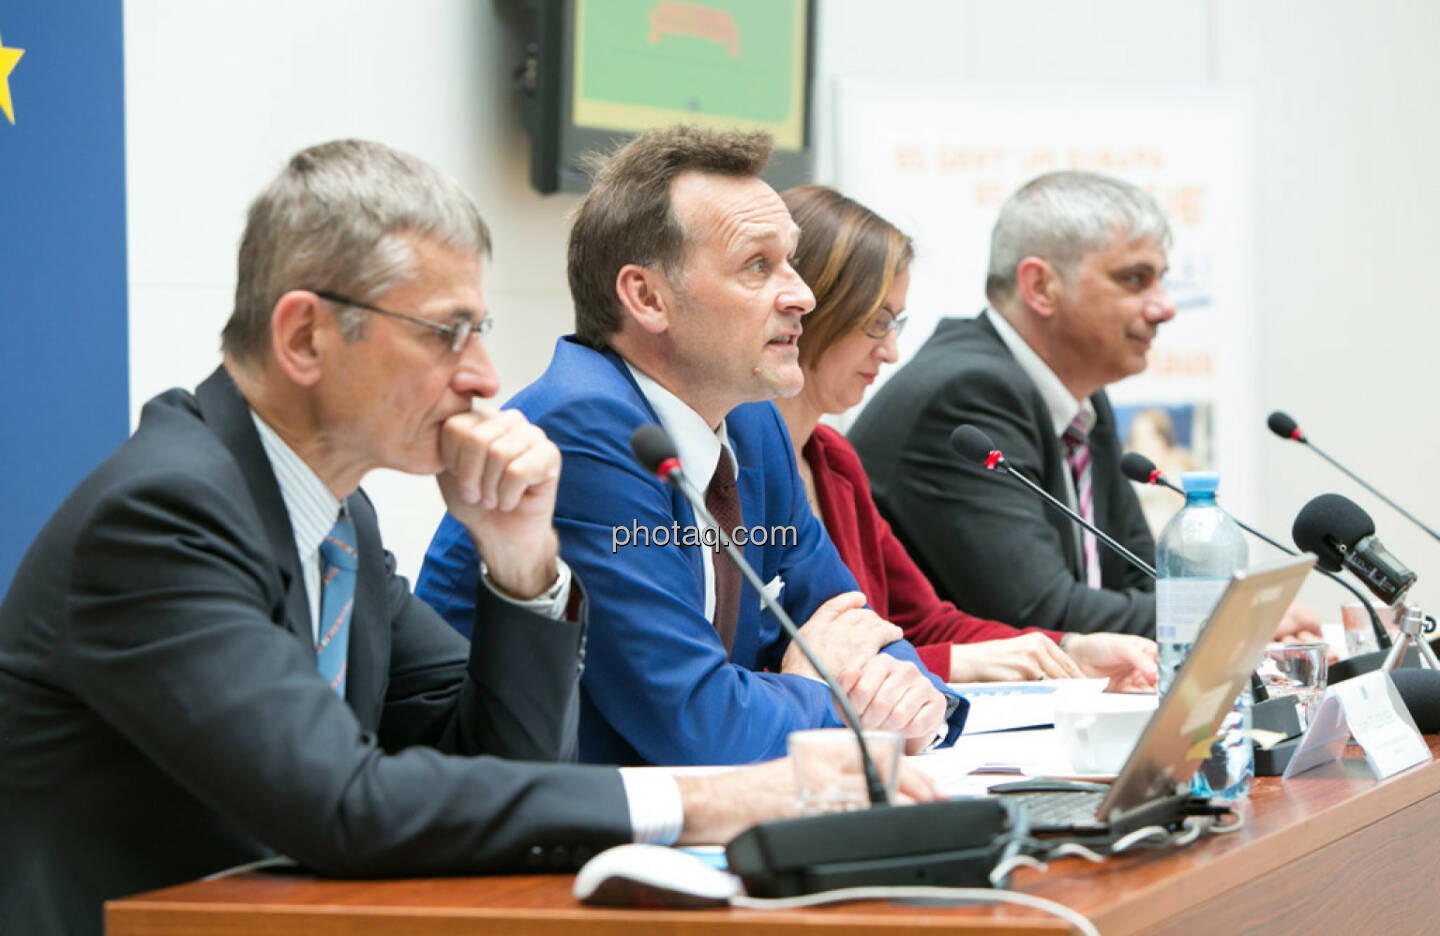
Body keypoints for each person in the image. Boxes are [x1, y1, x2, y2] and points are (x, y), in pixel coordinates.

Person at [0, 140, 938, 936]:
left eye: (480, 329)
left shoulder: (340, 519)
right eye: (446, 333)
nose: (485, 376)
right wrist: (714, 799)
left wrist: (525, 564)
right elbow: (345, 804)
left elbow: (494, 763)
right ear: (305, 338)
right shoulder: (167, 514)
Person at [419, 126, 965, 766]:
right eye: (758, 265)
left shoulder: (751, 420)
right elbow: (699, 725)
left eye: (790, 260)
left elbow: (851, 619)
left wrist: (918, 701)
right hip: (523, 839)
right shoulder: (584, 430)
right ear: (647, 297)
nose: (802, 295)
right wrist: (833, 698)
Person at [850, 171, 1320, 642]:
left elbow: (1141, 575)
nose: (1164, 307)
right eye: (1135, 279)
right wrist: (1229, 618)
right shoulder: (967, 394)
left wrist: (1224, 618)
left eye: (1161, 280)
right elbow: (1041, 610)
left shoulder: (1082, 397)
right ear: (1040, 288)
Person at [774, 184, 1155, 691]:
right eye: (876, 322)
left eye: (897, 323)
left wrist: (1069, 649)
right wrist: (957, 664)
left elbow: (926, 623)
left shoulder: (833, 460)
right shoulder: (733, 471)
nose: (889, 352)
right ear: (810, 310)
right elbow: (781, 662)